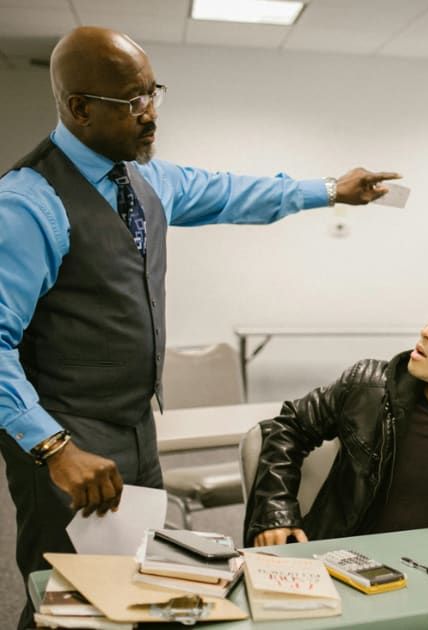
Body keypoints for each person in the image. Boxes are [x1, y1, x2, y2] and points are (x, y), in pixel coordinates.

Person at [0, 26, 397, 626]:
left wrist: (329, 192)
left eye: (153, 93)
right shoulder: (28, 204)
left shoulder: (143, 180)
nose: (151, 114)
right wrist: (55, 449)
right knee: (68, 599)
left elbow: (232, 193)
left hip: (136, 428)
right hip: (67, 439)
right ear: (79, 108)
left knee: (144, 587)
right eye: (132, 102)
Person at [244, 278, 428, 547]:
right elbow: (289, 425)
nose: (426, 331)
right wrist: (276, 512)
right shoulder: (368, 387)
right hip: (349, 564)